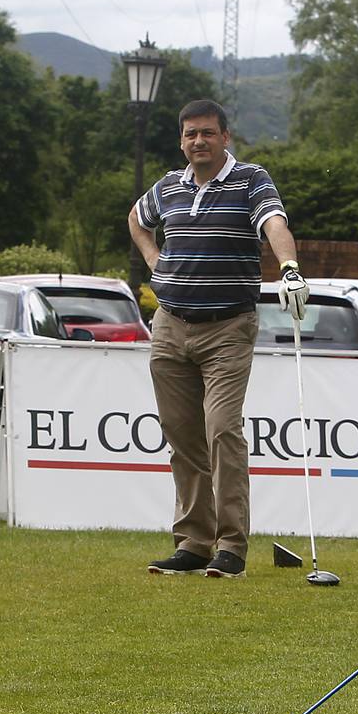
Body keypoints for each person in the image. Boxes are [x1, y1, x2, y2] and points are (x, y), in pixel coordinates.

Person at [128, 98, 308, 578]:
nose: (198, 142)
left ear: (225, 137)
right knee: (182, 438)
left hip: (228, 328)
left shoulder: (251, 179)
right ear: (182, 140)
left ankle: (231, 547)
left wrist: (289, 268)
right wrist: (154, 263)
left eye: (207, 133)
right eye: (190, 135)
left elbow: (274, 223)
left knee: (222, 430)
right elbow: (136, 219)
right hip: (170, 325)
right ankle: (193, 543)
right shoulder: (168, 186)